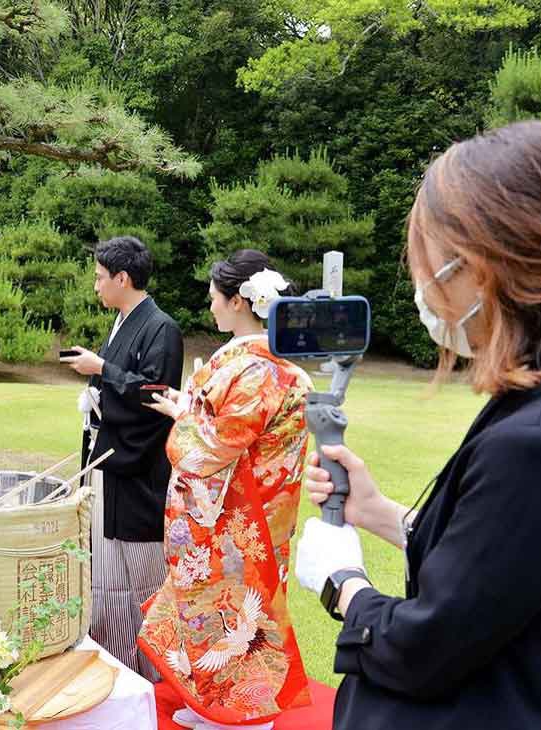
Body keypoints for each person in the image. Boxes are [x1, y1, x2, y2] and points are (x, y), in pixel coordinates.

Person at [294, 120, 541, 730]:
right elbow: (512, 572)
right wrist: (382, 513)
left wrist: (343, 583)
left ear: (480, 268)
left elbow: (426, 649)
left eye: (432, 264)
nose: (425, 289)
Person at [139, 250, 313, 730]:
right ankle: (219, 707)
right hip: (251, 507)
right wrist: (189, 410)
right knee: (228, 610)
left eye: (214, 296)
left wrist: (184, 418)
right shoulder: (262, 362)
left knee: (238, 611)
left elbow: (212, 446)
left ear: (239, 300)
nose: (210, 305)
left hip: (240, 513)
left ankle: (246, 715)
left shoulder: (257, 369)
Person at [62, 235, 184, 680]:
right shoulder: (121, 320)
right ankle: (114, 666)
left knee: (143, 576)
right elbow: (119, 386)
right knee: (106, 573)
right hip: (109, 465)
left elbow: (157, 396)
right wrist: (96, 394)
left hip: (137, 467)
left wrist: (102, 373)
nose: (95, 286)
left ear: (122, 277)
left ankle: (157, 673)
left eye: (99, 277)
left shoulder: (161, 328)